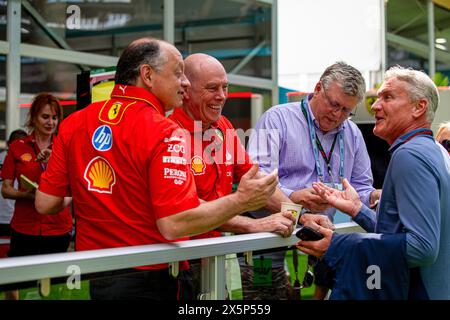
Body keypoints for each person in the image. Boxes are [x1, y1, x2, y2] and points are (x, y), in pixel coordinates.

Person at [35, 38, 279, 300]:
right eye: (177, 73)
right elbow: (174, 224)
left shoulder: (74, 123)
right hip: (153, 271)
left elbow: (46, 203)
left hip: (99, 273)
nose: (184, 83)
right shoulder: (164, 129)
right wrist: (241, 201)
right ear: (147, 75)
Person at [300, 66, 450, 299]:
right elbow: (396, 234)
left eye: (388, 97)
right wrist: (357, 210)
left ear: (419, 107)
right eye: (378, 98)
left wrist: (340, 245)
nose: (375, 106)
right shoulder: (432, 151)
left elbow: (421, 248)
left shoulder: (410, 155)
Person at [244, 62, 380, 300]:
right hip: (270, 244)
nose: (338, 115)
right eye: (334, 104)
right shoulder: (275, 119)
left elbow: (361, 188)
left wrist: (375, 197)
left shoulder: (353, 133)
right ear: (318, 88)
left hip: (324, 242)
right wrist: (294, 197)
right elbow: (258, 179)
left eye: (347, 111)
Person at [169, 53, 296, 299]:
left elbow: (258, 182)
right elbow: (186, 207)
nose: (222, 96)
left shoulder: (223, 127)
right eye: (212, 88)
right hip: (177, 261)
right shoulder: (170, 133)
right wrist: (253, 225)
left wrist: (298, 214)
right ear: (186, 90)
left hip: (215, 254)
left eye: (225, 87)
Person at [1, 94, 73, 300]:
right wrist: (29, 195)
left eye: (54, 118)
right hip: (25, 226)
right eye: (45, 117)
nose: (51, 122)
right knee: (14, 279)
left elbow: (74, 184)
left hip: (57, 227)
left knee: (54, 284)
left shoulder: (64, 146)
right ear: (33, 118)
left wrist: (55, 161)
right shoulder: (17, 147)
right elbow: (5, 189)